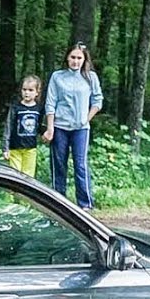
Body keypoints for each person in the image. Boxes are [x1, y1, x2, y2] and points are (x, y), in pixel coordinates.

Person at [42, 43, 103, 209]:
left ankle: (85, 204)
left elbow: (98, 101)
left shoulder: (91, 77)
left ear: (84, 60)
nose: (75, 61)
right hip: (60, 127)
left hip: (81, 129)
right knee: (59, 164)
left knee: (80, 165)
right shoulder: (57, 76)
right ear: (67, 58)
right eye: (73, 57)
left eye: (79, 58)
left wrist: (87, 119)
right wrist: (50, 128)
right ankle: (59, 203)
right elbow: (50, 102)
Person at [2, 75, 44, 177]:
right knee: (14, 176)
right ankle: (11, 194)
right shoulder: (15, 107)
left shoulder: (39, 109)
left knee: (28, 177)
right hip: (15, 148)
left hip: (30, 148)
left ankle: (24, 194)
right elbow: (8, 127)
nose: (27, 93)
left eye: (30, 90)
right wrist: (5, 148)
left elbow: (41, 128)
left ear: (37, 92)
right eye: (24, 89)